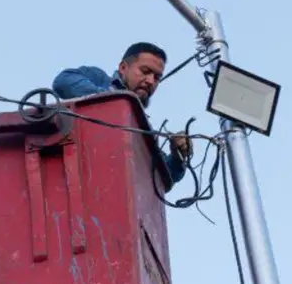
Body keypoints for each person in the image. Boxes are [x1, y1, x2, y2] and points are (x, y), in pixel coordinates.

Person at [52, 42, 191, 190]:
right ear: (123, 68)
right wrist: (115, 101)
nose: (150, 81)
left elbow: (166, 176)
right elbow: (63, 81)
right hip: (74, 182)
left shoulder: (141, 126)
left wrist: (178, 156)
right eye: (145, 71)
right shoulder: (99, 79)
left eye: (157, 77)